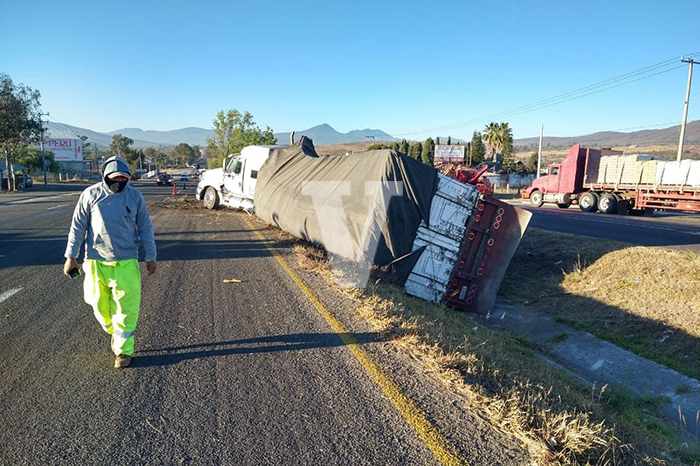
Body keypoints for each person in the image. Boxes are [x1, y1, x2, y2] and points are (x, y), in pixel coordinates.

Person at [63, 156, 157, 368]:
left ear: (129, 178)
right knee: (97, 304)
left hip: (126, 262)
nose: (119, 182)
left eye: (124, 178)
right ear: (105, 177)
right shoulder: (90, 195)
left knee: (127, 308)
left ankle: (123, 351)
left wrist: (151, 256)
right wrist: (71, 257)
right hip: (96, 262)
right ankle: (115, 331)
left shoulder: (134, 197)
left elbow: (145, 229)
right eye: (115, 178)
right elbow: (77, 227)